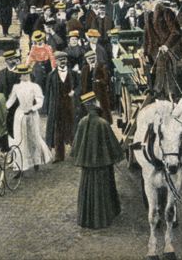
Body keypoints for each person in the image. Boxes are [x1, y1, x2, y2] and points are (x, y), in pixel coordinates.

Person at [70, 92, 124, 229]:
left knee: (88, 190)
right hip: (103, 168)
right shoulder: (103, 123)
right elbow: (114, 147)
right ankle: (103, 218)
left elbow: (76, 147)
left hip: (87, 169)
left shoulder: (82, 122)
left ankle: (86, 219)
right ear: (95, 104)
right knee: (103, 191)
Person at [6, 64, 52, 175]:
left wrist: (32, 108)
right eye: (22, 74)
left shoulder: (35, 86)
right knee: (20, 139)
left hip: (32, 114)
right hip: (20, 115)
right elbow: (11, 101)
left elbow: (40, 101)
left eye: (26, 73)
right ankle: (20, 167)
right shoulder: (16, 87)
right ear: (19, 76)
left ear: (29, 74)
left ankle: (36, 161)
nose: (24, 76)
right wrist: (4, 108)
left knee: (34, 136)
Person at [140, 0, 182, 101]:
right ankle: (152, 90)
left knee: (162, 60)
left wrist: (166, 45)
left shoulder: (166, 12)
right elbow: (146, 35)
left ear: (150, 1)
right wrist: (144, 51)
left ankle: (161, 92)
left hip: (171, 48)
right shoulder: (147, 15)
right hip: (155, 50)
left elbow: (176, 32)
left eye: (144, 4)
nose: (143, 7)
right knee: (147, 64)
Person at [44, 52, 79, 162]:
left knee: (73, 128)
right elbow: (47, 93)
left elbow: (80, 86)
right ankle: (59, 156)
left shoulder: (73, 74)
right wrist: (47, 109)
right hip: (57, 107)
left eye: (64, 59)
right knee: (58, 131)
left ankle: (76, 154)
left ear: (66, 60)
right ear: (56, 61)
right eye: (59, 59)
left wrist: (74, 91)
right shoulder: (51, 75)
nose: (62, 61)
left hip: (70, 105)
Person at [0, 50, 22, 137]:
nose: (12, 61)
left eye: (13, 58)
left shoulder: (21, 72)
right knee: (6, 127)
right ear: (6, 61)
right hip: (6, 105)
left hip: (18, 105)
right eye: (9, 59)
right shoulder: (1, 73)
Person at [81, 49, 112, 125]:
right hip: (87, 94)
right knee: (89, 111)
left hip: (99, 93)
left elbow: (106, 80)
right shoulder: (85, 69)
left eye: (93, 58)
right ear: (86, 60)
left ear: (96, 57)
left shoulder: (102, 66)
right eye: (89, 59)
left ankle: (103, 125)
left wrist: (99, 81)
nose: (91, 60)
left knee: (101, 110)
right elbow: (82, 82)